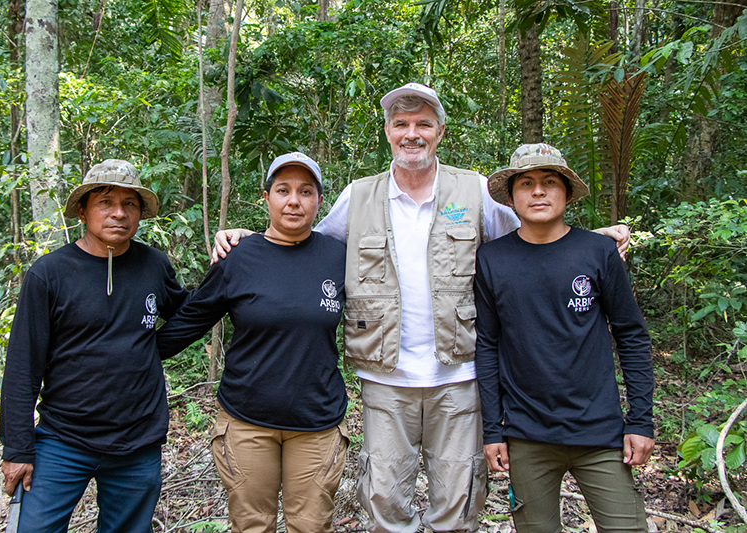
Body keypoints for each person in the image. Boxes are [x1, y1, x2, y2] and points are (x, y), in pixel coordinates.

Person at [211, 83, 629, 533]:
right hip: (385, 381)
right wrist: (249, 240)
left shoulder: (473, 191)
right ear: (388, 132)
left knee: (457, 504)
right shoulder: (360, 196)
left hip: (459, 377)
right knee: (386, 504)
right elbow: (302, 243)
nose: (412, 134)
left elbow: (533, 235)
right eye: (402, 124)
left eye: (423, 124)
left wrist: (593, 241)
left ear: (440, 132)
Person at [156, 152, 348, 533]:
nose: (294, 200)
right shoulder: (238, 257)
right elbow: (191, 319)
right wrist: (127, 354)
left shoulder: (338, 256)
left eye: (305, 191)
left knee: (311, 526)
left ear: (319, 201)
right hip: (246, 424)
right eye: (283, 190)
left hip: (317, 422)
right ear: (266, 198)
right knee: (252, 526)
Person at [0, 159, 189, 533]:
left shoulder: (153, 265)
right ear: (83, 210)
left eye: (129, 204)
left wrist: (234, 263)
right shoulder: (49, 274)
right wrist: (17, 448)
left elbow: (189, 313)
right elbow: (23, 365)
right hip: (63, 439)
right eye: (105, 202)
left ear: (139, 214)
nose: (118, 213)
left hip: (137, 444)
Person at [475, 143, 653, 533]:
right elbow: (487, 345)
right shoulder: (491, 259)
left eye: (550, 182)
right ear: (511, 196)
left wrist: (641, 421)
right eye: (527, 183)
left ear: (567, 193)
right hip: (526, 435)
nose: (538, 191)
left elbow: (631, 335)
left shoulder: (597, 251)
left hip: (601, 433)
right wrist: (493, 430)